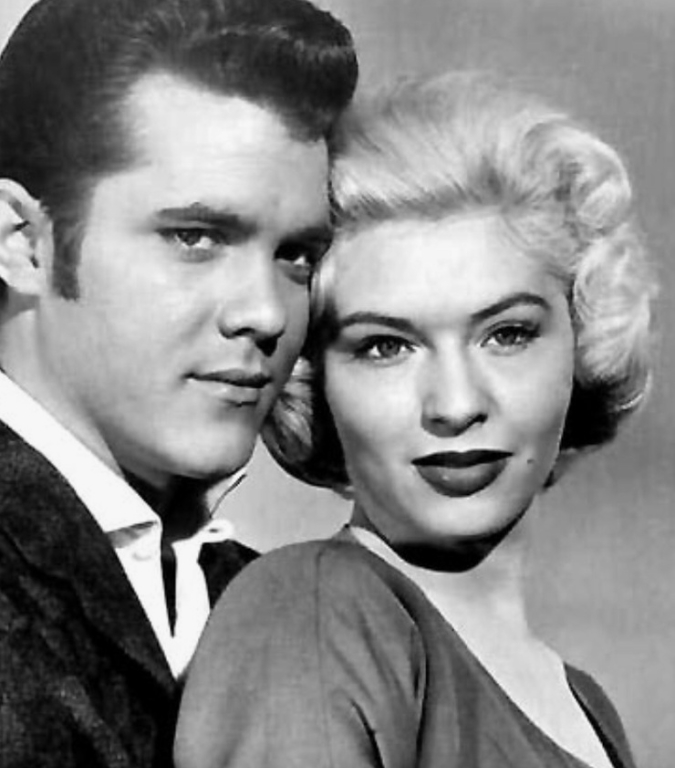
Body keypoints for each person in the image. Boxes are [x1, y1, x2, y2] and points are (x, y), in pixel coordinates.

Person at [175, 72, 655, 768]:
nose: (455, 405)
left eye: (507, 335)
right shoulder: (313, 612)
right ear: (315, 380)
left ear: (580, 347)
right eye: (385, 347)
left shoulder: (587, 707)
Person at [0, 0, 357, 765]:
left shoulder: (276, 609)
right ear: (23, 244)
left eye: (296, 255)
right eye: (195, 237)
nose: (266, 314)